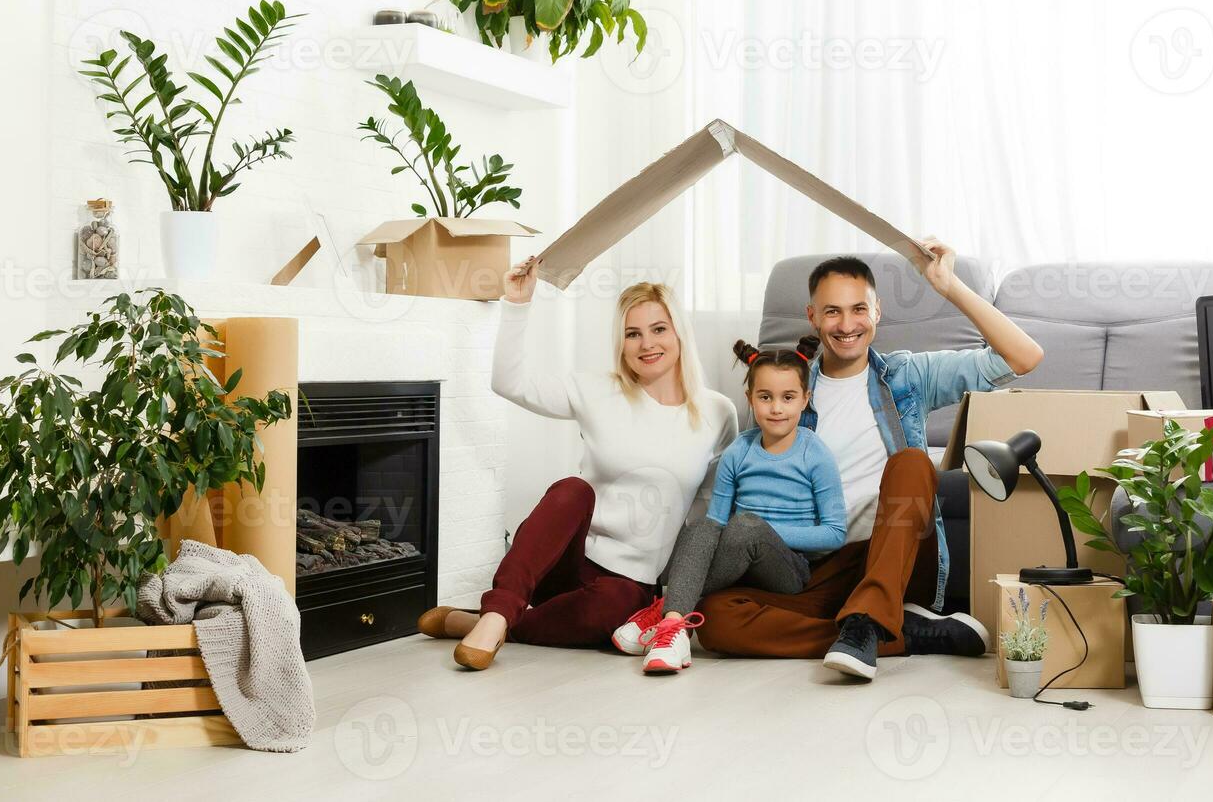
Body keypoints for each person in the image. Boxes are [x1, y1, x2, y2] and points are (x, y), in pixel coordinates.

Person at [696, 241, 1044, 680]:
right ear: (812, 317)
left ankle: (871, 617)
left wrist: (950, 287)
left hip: (896, 561)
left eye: (859, 309)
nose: (846, 325)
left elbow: (1023, 357)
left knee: (912, 463)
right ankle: (897, 632)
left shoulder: (907, 376)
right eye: (832, 311)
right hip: (817, 570)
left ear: (877, 312)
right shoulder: (785, 392)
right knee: (715, 619)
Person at [416, 257, 738, 670]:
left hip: (629, 583)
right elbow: (508, 383)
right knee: (573, 489)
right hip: (567, 562)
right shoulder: (598, 391)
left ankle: (479, 624)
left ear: (679, 333)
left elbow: (704, 513)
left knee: (613, 607)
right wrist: (518, 305)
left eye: (659, 329)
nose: (647, 344)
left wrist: (675, 600)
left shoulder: (717, 413)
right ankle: (498, 614)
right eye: (632, 334)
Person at [611, 335, 846, 674]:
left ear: (805, 399)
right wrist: (742, 528)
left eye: (788, 397)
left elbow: (835, 534)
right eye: (765, 397)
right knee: (704, 525)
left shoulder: (815, 454)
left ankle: (665, 606)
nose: (776, 408)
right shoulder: (739, 450)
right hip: (738, 560)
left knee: (744, 526)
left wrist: (766, 531)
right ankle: (673, 628)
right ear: (750, 398)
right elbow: (716, 523)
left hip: (789, 570)